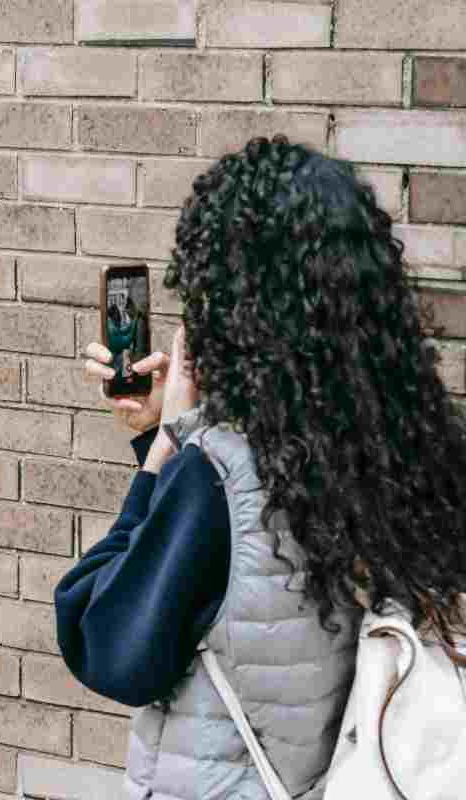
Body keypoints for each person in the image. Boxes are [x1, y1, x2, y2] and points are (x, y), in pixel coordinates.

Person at [57, 136, 466, 799]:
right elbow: (233, 582)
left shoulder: (212, 477)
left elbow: (104, 643)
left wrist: (165, 450)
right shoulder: (411, 450)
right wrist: (170, 435)